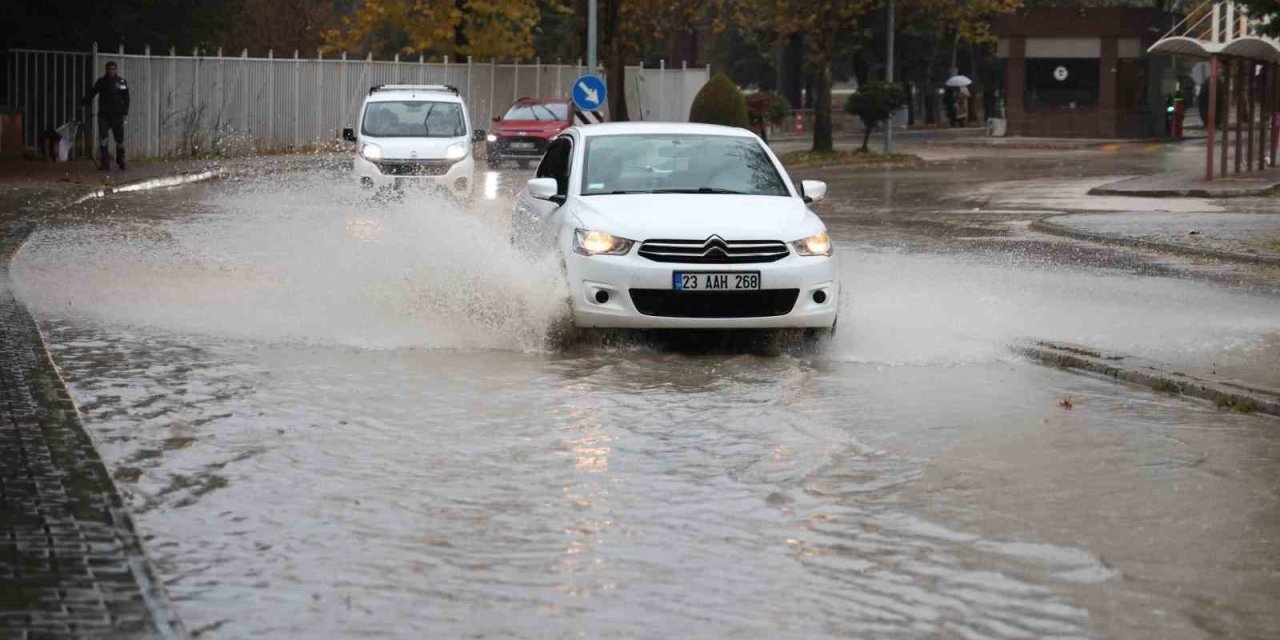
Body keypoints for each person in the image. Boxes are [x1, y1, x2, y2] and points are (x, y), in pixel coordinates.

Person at [80, 61, 130, 170]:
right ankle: (104, 162)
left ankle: (121, 160)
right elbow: (93, 92)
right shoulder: (101, 81)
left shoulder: (121, 82)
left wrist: (125, 112)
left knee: (120, 139)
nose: (111, 71)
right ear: (106, 70)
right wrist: (84, 101)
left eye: (113, 69)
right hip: (104, 115)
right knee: (103, 139)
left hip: (117, 115)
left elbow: (126, 97)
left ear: (116, 70)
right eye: (109, 69)